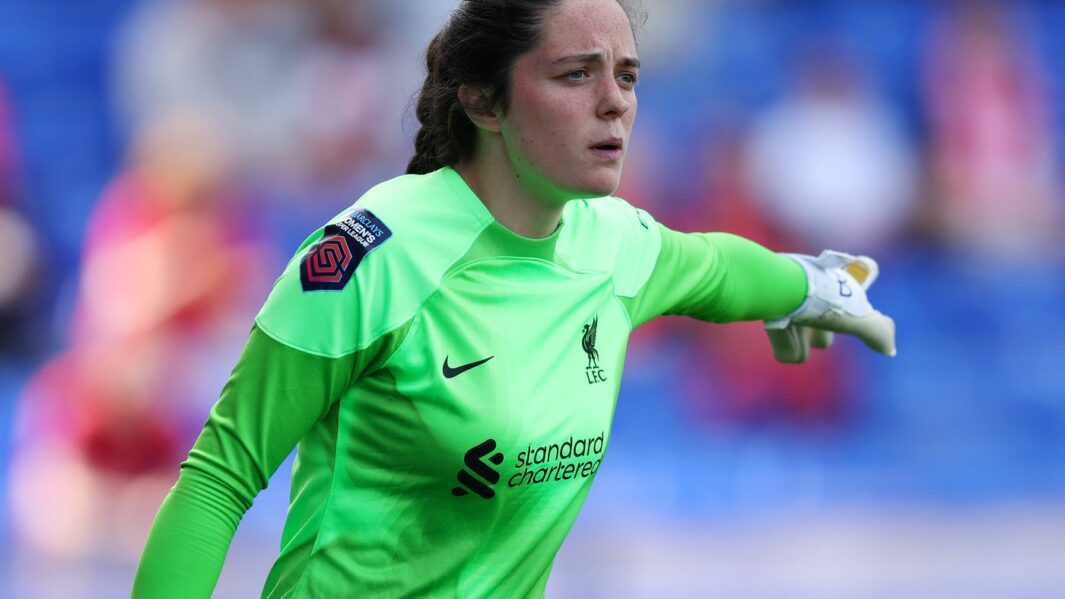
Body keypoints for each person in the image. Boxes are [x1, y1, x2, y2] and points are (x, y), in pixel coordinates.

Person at [132, 1, 895, 597]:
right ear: (484, 103)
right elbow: (217, 481)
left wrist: (818, 287)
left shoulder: (616, 243)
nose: (613, 104)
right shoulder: (371, 259)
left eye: (626, 76)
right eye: (575, 75)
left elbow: (718, 270)